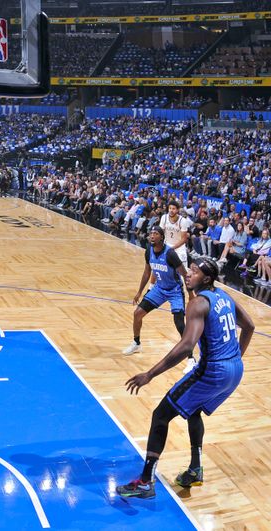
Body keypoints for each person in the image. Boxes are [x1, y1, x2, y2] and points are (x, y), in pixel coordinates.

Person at [117, 257, 253, 499]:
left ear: (207, 278)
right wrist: (236, 358)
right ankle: (195, 468)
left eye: (195, 271)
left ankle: (146, 482)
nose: (188, 274)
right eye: (189, 270)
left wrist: (150, 374)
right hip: (235, 371)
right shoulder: (225, 296)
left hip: (213, 371)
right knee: (194, 410)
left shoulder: (198, 303)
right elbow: (250, 326)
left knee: (161, 415)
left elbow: (186, 345)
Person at [123, 226, 197, 373]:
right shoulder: (148, 251)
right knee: (137, 313)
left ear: (162, 238)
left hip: (175, 290)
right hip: (159, 289)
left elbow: (184, 274)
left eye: (155, 233)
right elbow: (146, 271)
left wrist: (190, 295)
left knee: (179, 324)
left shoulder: (170, 254)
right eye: (150, 233)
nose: (151, 236)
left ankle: (191, 358)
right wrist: (139, 292)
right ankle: (136, 343)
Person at [159, 200, 193, 267]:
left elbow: (184, 239)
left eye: (173, 209)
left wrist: (172, 248)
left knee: (183, 271)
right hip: (167, 245)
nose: (171, 210)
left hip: (179, 247)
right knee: (164, 268)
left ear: (177, 210)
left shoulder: (183, 221)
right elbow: (160, 233)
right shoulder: (164, 217)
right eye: (170, 208)